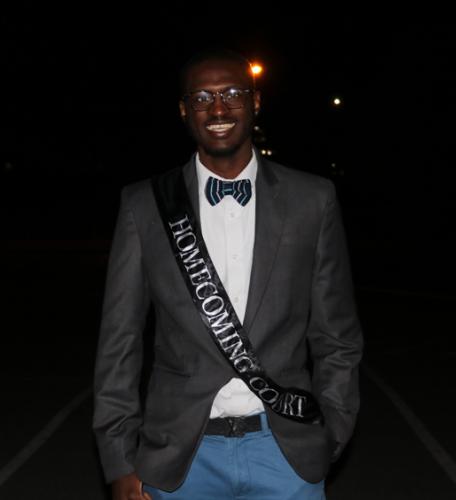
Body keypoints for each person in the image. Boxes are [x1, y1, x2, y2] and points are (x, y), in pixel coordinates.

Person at [93, 46, 364, 500]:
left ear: (255, 102)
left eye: (232, 94)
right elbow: (118, 344)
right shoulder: (144, 205)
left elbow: (337, 336)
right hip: (180, 459)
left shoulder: (312, 199)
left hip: (286, 455)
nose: (217, 109)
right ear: (184, 110)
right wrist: (119, 460)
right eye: (202, 98)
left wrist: (331, 431)